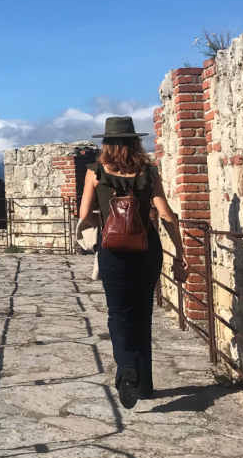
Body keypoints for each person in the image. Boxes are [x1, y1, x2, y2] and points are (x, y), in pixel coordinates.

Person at [77, 116, 185, 409]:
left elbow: (85, 212)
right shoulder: (149, 171)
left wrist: (105, 221)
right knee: (142, 314)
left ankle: (126, 367)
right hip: (146, 248)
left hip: (113, 251)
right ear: (136, 141)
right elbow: (166, 215)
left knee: (118, 313)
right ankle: (145, 386)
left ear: (107, 142)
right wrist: (180, 252)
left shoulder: (95, 171)